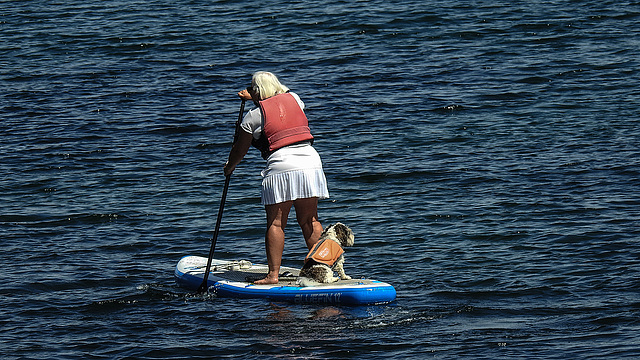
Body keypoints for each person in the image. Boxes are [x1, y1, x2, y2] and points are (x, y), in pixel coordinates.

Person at [223, 71, 330, 285]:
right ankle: (326, 270)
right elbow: (282, 97)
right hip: (310, 160)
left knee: (276, 223)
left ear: (257, 91)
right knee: (310, 220)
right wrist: (254, 95)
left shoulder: (253, 116)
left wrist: (229, 167)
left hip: (281, 163)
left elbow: (240, 150)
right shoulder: (296, 99)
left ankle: (273, 275)